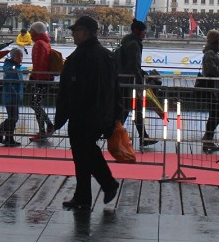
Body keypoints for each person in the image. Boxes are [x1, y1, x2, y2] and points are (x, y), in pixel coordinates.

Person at [55, 14, 120, 211]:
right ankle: (85, 195)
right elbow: (113, 88)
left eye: (75, 30)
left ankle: (104, 184)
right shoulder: (105, 55)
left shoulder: (81, 57)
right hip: (100, 113)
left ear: (84, 33)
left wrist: (60, 118)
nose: (73, 34)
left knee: (84, 154)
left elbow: (73, 90)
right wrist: (114, 115)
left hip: (83, 115)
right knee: (85, 153)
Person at [118, 19, 156, 147]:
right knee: (132, 109)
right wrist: (140, 82)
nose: (145, 33)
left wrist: (141, 73)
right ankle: (115, 135)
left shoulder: (128, 42)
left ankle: (142, 136)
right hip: (131, 83)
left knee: (128, 110)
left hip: (125, 81)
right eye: (144, 31)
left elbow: (133, 65)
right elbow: (134, 65)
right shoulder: (134, 44)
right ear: (138, 31)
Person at [27, 21, 56, 140]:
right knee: (36, 103)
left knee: (35, 104)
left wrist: (32, 79)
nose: (29, 32)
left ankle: (46, 128)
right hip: (46, 79)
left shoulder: (39, 44)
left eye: (31, 30)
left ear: (37, 31)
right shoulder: (45, 43)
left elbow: (38, 64)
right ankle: (47, 127)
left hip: (42, 80)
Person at [0, 46, 24, 146]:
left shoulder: (16, 66)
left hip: (15, 96)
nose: (21, 58)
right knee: (13, 118)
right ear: (13, 57)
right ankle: (1, 133)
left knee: (13, 118)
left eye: (21, 55)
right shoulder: (11, 66)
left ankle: (8, 138)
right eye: (18, 56)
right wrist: (15, 92)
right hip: (10, 96)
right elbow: (9, 75)